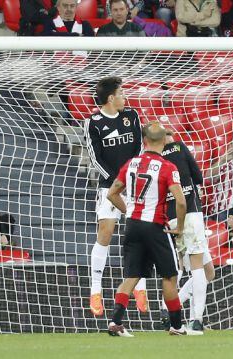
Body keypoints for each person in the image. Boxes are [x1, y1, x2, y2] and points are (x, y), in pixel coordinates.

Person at [105, 122, 193, 337]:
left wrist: (131, 211)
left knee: (132, 276)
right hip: (155, 227)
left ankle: (115, 323)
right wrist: (179, 227)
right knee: (170, 276)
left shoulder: (131, 163)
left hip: (133, 225)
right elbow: (181, 202)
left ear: (144, 141)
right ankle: (176, 326)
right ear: (164, 141)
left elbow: (112, 193)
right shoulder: (167, 167)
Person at [84, 77, 146, 317]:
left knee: (138, 232)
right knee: (106, 233)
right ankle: (95, 290)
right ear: (111, 98)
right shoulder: (93, 122)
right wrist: (115, 181)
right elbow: (94, 157)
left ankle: (139, 286)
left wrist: (131, 175)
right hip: (109, 187)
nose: (125, 97)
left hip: (135, 183)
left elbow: (139, 147)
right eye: (121, 93)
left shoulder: (131, 115)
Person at [159, 132, 215, 333]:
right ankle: (197, 319)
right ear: (166, 138)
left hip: (171, 216)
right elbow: (198, 177)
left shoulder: (155, 159)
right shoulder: (180, 147)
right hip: (190, 213)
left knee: (209, 271)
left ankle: (169, 307)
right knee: (198, 268)